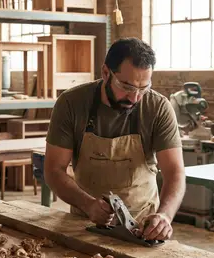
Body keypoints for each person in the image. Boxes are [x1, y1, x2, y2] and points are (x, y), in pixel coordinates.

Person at [44, 37, 185, 241]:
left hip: (143, 227)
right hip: (84, 223)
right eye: (127, 87)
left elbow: (175, 172)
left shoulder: (158, 108)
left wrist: (165, 215)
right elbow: (53, 170)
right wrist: (88, 204)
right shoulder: (71, 104)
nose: (134, 98)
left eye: (143, 89)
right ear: (105, 73)